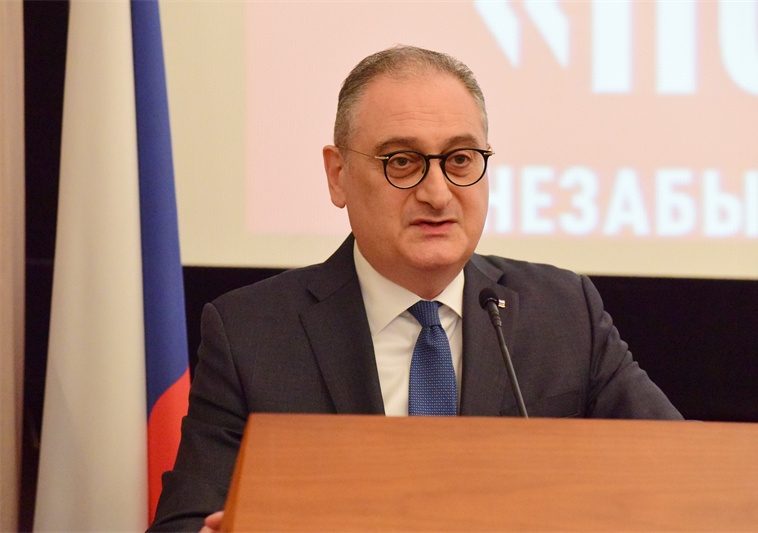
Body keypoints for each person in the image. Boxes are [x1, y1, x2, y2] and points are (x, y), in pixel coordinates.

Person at [148, 45, 682, 532]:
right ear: (337, 175)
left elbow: (684, 471)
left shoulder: (564, 313)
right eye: (402, 162)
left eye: (460, 159)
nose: (437, 193)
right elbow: (184, 521)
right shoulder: (252, 333)